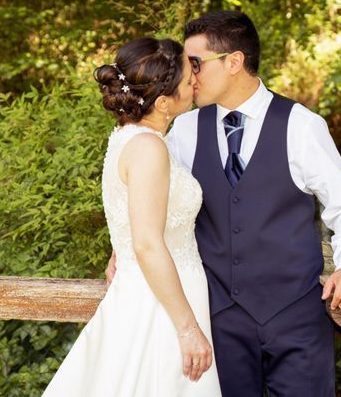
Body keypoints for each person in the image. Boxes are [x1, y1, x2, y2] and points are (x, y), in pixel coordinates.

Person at [164, 10, 341, 396]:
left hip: (295, 317)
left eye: (195, 63)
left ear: (234, 62)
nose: (188, 74)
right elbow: (160, 207)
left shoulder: (301, 124)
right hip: (218, 322)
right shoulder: (184, 129)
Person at [43, 37, 222, 396]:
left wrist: (119, 249)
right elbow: (147, 243)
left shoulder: (129, 138)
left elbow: (135, 219)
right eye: (189, 81)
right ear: (163, 102)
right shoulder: (148, 148)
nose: (196, 83)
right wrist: (187, 328)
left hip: (159, 290)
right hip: (161, 306)